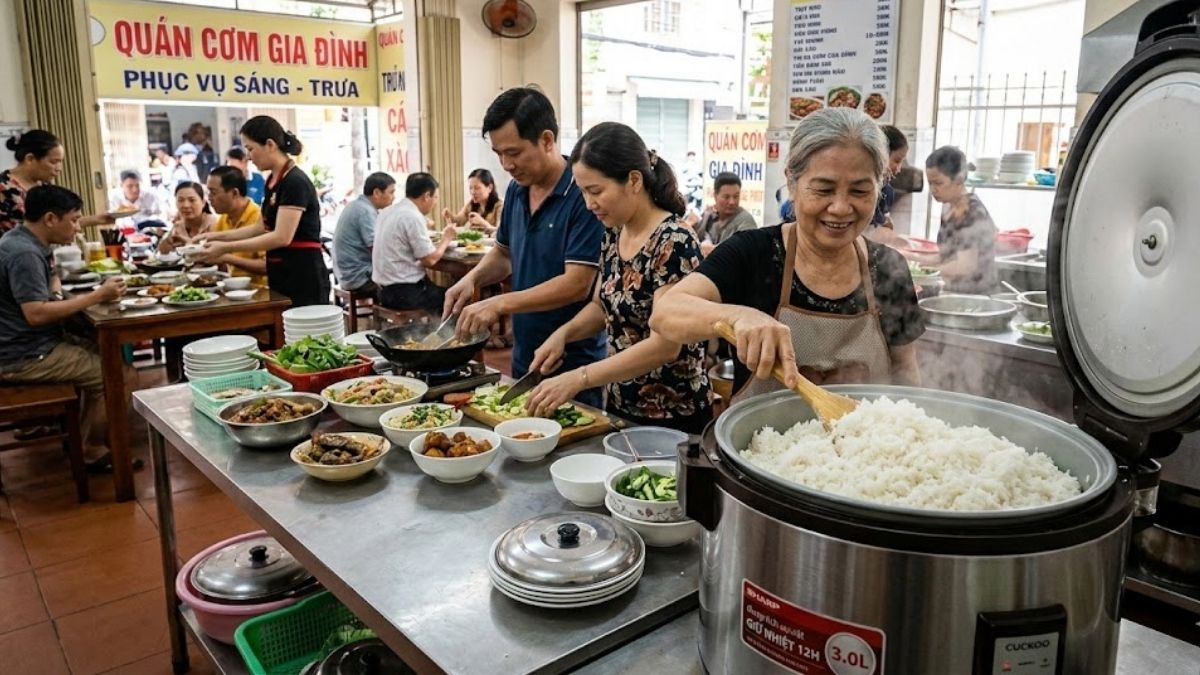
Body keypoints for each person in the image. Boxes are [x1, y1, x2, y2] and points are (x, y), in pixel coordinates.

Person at [650, 108, 925, 399]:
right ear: (792, 183)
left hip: (870, 442)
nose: (841, 208)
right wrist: (738, 316)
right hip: (755, 443)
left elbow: (906, 370)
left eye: (859, 192)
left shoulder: (888, 267)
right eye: (823, 189)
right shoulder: (752, 253)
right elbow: (665, 312)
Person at [523, 122, 712, 434]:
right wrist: (564, 334)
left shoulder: (674, 240)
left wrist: (580, 377)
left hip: (672, 417)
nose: (588, 204)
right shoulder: (613, 231)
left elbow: (666, 345)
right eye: (583, 192)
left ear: (634, 180)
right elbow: (602, 305)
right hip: (619, 404)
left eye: (596, 191)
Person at [443, 88, 606, 408]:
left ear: (547, 140)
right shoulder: (517, 191)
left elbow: (577, 283)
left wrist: (501, 304)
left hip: (571, 362)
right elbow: (504, 254)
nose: (506, 164)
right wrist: (472, 279)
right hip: (525, 354)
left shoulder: (583, 196)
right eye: (498, 154)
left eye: (514, 152)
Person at [0, 185, 126, 468]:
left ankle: (80, 442)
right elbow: (36, 314)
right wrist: (96, 296)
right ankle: (92, 450)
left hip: (24, 344)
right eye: (74, 220)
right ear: (49, 219)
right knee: (115, 375)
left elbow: (51, 279)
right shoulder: (25, 255)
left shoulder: (21, 239)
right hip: (22, 355)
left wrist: (56, 294)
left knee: (103, 351)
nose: (78, 227)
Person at [196, 116, 331, 306]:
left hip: (303, 274)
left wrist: (225, 249)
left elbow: (282, 237)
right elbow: (260, 227)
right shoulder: (272, 181)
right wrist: (215, 238)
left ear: (270, 144)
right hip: (280, 272)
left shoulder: (294, 181)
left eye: (250, 149)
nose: (249, 157)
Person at [373, 173, 456, 314]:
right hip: (404, 293)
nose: (435, 202)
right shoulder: (412, 216)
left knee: (443, 290)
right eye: (435, 197)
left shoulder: (387, 211)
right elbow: (429, 260)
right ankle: (444, 335)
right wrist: (446, 239)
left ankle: (431, 331)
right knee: (456, 296)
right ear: (427, 196)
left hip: (382, 290)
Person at [1, 130, 114, 234]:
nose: (59, 168)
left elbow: (58, 223)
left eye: (60, 162)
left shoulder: (43, 185)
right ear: (30, 159)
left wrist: (98, 219)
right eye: (54, 162)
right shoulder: (4, 188)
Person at [919, 146, 998, 294]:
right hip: (955, 291)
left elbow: (965, 266)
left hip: (976, 298)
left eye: (938, 183)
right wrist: (916, 261)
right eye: (930, 183)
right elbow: (947, 255)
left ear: (959, 180)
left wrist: (930, 273)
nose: (933, 190)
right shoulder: (950, 209)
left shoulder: (972, 212)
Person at [335, 171, 395, 296]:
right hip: (359, 277)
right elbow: (377, 248)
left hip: (347, 275)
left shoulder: (357, 206)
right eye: (391, 192)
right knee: (409, 283)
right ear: (377, 193)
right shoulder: (365, 211)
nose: (393, 197)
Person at [206, 166, 266, 287]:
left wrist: (226, 258)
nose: (209, 198)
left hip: (261, 292)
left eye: (213, 192)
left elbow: (266, 266)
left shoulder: (258, 219)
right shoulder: (224, 218)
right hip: (234, 289)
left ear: (234, 193)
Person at [694, 172, 757, 257]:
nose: (732, 202)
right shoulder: (709, 216)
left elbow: (746, 251)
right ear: (715, 196)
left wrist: (712, 249)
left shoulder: (745, 221)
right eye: (726, 197)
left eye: (736, 196)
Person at [869, 125, 908, 237]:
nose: (899, 169)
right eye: (897, 161)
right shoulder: (862, 190)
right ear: (880, 155)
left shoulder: (887, 191)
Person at [158, 182, 216, 254]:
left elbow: (214, 253)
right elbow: (162, 253)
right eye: (181, 200)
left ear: (203, 202)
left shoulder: (214, 223)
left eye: (192, 200)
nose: (186, 205)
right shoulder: (178, 226)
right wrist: (167, 241)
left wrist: (189, 243)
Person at [441, 168, 502, 234]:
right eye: (470, 188)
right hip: (474, 243)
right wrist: (450, 216)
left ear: (490, 188)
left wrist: (483, 223)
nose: (473, 192)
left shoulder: (499, 206)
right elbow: (459, 222)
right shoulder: (470, 204)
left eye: (477, 188)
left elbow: (501, 232)